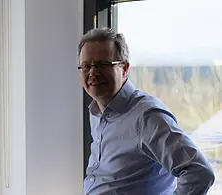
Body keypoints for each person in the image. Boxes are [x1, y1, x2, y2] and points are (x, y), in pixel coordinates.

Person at [77, 27, 215, 195]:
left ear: (125, 68)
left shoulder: (147, 116)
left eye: (102, 64)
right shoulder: (98, 112)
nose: (93, 72)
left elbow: (200, 173)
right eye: (86, 66)